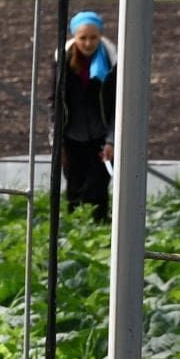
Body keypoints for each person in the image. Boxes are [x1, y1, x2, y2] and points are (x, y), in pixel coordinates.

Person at [60, 11, 117, 220]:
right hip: (72, 136)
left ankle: (99, 230)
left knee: (98, 188)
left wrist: (111, 140)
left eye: (93, 37)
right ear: (74, 37)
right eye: (82, 38)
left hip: (100, 136)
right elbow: (54, 101)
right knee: (74, 187)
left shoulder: (112, 61)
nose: (88, 43)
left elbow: (118, 104)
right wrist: (57, 138)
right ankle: (76, 229)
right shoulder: (63, 61)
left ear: (100, 36)